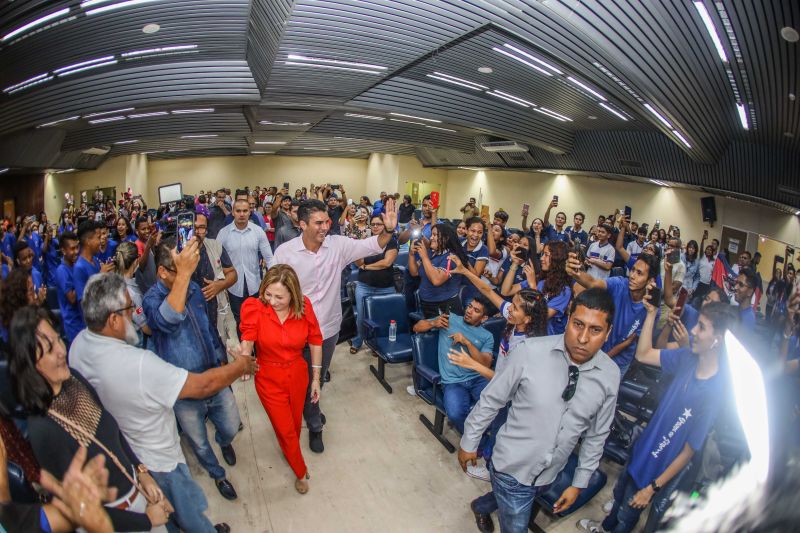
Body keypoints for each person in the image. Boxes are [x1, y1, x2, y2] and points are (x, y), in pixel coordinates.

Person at [71, 273, 257, 532]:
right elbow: (201, 385)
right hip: (160, 459)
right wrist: (240, 367)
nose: (133, 316)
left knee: (165, 513)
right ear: (113, 319)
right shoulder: (137, 364)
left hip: (130, 454)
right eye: (128, 309)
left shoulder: (78, 346)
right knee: (189, 511)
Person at [459, 289, 620, 533]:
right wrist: (469, 441)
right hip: (511, 467)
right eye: (578, 324)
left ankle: (482, 505)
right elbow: (492, 399)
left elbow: (597, 435)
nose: (583, 338)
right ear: (567, 320)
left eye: (595, 330)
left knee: (520, 499)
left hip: (551, 472)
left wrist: (579, 482)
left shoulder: (610, 376)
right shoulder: (529, 352)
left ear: (607, 334)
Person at [8, 306, 172, 532]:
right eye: (48, 349)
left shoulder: (73, 378)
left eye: (58, 340)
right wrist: (145, 521)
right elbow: (82, 508)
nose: (61, 351)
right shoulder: (43, 429)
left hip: (137, 491)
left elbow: (111, 429)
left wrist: (142, 472)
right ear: (30, 366)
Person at [577, 301, 735, 533]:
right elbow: (643, 354)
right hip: (641, 450)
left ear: (717, 340)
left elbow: (689, 450)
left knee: (626, 518)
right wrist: (651, 314)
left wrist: (653, 487)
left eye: (701, 327)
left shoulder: (714, 392)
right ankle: (602, 528)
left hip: (655, 470)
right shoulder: (687, 358)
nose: (693, 331)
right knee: (618, 498)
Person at [273, 198, 398, 454]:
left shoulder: (338, 246)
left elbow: (371, 244)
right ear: (302, 224)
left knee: (318, 378)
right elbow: (273, 293)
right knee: (295, 379)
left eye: (327, 222)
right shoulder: (285, 253)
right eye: (318, 223)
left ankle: (312, 418)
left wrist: (388, 230)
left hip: (328, 330)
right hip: (294, 330)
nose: (325, 227)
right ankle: (311, 416)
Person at [142, 238, 243, 501]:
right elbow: (167, 320)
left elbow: (208, 328)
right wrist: (184, 276)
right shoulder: (152, 300)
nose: (188, 270)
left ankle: (224, 440)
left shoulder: (195, 289)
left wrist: (221, 356)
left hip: (214, 376)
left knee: (231, 426)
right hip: (184, 390)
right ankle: (218, 474)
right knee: (198, 442)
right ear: (162, 271)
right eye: (179, 267)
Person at [238, 265, 323, 494]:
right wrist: (243, 357)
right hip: (268, 377)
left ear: (292, 295)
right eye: (268, 294)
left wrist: (315, 378)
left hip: (298, 374)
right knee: (284, 428)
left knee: (294, 425)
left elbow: (315, 340)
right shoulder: (254, 308)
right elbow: (248, 339)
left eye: (279, 297)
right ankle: (300, 470)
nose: (272, 301)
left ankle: (290, 451)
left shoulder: (304, 307)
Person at [567, 251, 660, 376]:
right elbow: (594, 283)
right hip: (598, 351)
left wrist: (601, 359)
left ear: (650, 281)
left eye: (639, 273)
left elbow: (628, 341)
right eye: (632, 270)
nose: (632, 275)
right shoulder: (620, 284)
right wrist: (576, 273)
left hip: (619, 361)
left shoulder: (650, 309)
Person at [412, 295, 494, 434]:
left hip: (477, 378)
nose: (469, 311)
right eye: (469, 306)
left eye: (476, 310)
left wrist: (467, 342)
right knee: (456, 414)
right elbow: (416, 327)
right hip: (453, 382)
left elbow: (485, 363)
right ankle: (475, 441)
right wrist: (433, 323)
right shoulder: (450, 319)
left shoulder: (487, 336)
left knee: (497, 403)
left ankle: (486, 433)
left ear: (484, 318)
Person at [216, 198, 275, 326]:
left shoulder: (258, 231)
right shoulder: (223, 233)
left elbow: (269, 258)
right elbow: (216, 261)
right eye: (238, 211)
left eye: (245, 211)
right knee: (240, 321)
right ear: (233, 212)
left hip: (254, 284)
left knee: (257, 320)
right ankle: (244, 346)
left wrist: (274, 280)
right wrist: (221, 283)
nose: (241, 214)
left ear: (250, 212)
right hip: (234, 286)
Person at [349, 215, 399, 354]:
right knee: (361, 316)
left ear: (385, 226)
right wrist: (358, 247)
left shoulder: (391, 242)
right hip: (365, 285)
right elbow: (359, 263)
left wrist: (366, 267)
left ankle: (378, 343)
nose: (375, 226)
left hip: (386, 287)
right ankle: (358, 341)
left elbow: (386, 263)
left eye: (379, 224)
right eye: (373, 224)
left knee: (383, 317)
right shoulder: (366, 242)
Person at [502, 241, 572, 335]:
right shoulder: (540, 279)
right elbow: (506, 291)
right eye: (542, 254)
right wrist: (515, 264)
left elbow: (540, 317)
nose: (542, 258)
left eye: (546, 255)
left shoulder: (564, 291)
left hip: (542, 338)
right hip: (524, 331)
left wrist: (532, 286)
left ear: (557, 259)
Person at [193, 213, 238, 347]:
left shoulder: (215, 246)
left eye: (201, 228)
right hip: (192, 317)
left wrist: (220, 285)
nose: (197, 232)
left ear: (206, 230)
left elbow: (233, 273)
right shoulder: (177, 252)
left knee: (226, 351)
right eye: (193, 227)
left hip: (216, 312)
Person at [408, 223, 469, 318]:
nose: (431, 238)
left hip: (444, 308)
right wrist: (411, 254)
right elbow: (414, 272)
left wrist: (424, 257)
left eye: (435, 235)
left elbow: (437, 280)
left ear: (446, 238)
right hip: (426, 304)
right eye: (432, 234)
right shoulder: (431, 253)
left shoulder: (451, 258)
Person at [54, 232, 86, 343]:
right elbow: (72, 298)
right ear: (63, 251)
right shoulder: (61, 270)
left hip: (82, 319)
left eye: (77, 247)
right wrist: (85, 279)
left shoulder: (77, 266)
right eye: (72, 249)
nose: (76, 252)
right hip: (72, 323)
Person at [461, 217, 489, 304]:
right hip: (454, 284)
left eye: (480, 232)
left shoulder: (483, 249)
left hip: (471, 289)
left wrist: (463, 257)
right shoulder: (459, 241)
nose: (476, 235)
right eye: (473, 231)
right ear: (466, 230)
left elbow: (476, 275)